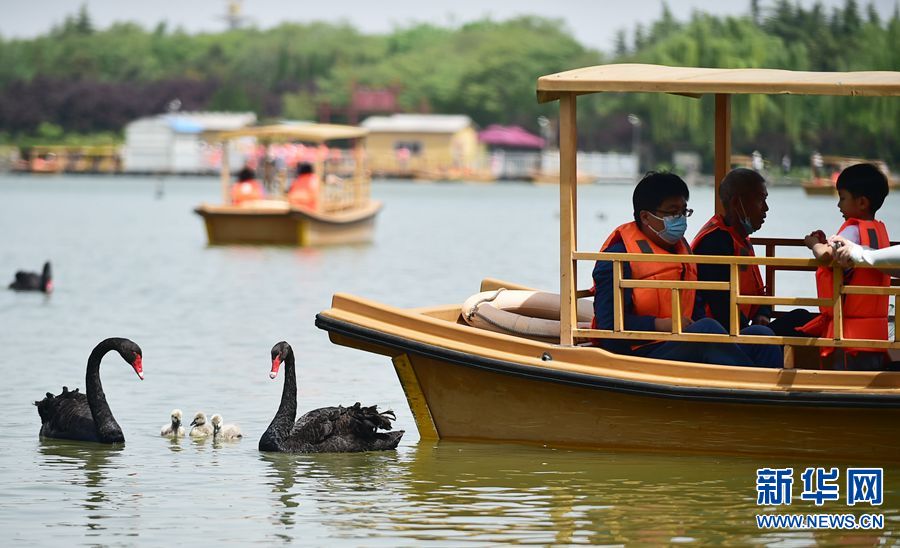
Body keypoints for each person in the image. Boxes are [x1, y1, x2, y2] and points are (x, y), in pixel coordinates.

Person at [591, 172, 782, 368]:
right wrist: (661, 325)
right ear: (646, 216)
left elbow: (696, 307)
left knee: (761, 336)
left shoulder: (683, 253)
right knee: (706, 330)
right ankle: (752, 383)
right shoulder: (617, 258)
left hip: (680, 343)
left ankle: (770, 391)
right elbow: (608, 324)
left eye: (684, 211)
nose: (680, 219)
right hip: (639, 352)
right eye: (673, 212)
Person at [691, 168, 816, 336]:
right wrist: (752, 332)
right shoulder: (715, 242)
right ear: (737, 203)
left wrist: (762, 313)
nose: (766, 208)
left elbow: (756, 288)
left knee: (803, 319)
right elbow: (721, 305)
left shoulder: (740, 236)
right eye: (760, 200)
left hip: (743, 328)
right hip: (721, 335)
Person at [800, 163, 891, 370]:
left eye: (842, 198)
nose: (839, 205)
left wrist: (813, 243)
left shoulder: (853, 230)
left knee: (845, 379)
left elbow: (825, 256)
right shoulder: (878, 231)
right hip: (874, 334)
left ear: (861, 203)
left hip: (850, 335)